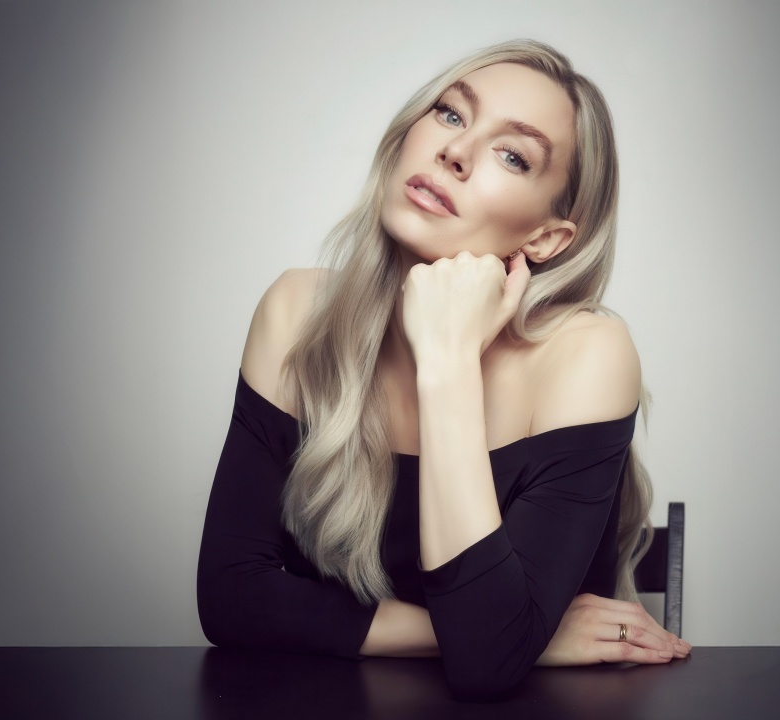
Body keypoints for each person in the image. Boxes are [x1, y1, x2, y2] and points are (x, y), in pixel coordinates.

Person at [196, 39, 691, 701]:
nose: (455, 150)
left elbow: (486, 667)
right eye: (452, 114)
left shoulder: (586, 355)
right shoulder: (296, 312)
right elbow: (230, 596)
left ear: (546, 237)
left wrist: (448, 358)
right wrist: (521, 636)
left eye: (513, 155)